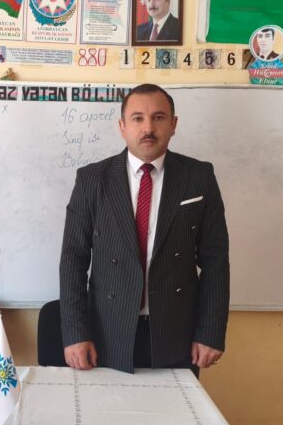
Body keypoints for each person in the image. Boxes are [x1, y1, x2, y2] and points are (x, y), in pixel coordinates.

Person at [59, 84, 229, 375]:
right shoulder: (92, 180)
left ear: (173, 124)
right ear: (122, 127)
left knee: (173, 405)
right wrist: (76, 333)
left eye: (158, 117)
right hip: (107, 332)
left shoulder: (199, 177)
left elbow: (215, 261)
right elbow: (73, 260)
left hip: (177, 333)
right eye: (137, 118)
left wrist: (210, 332)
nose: (148, 128)